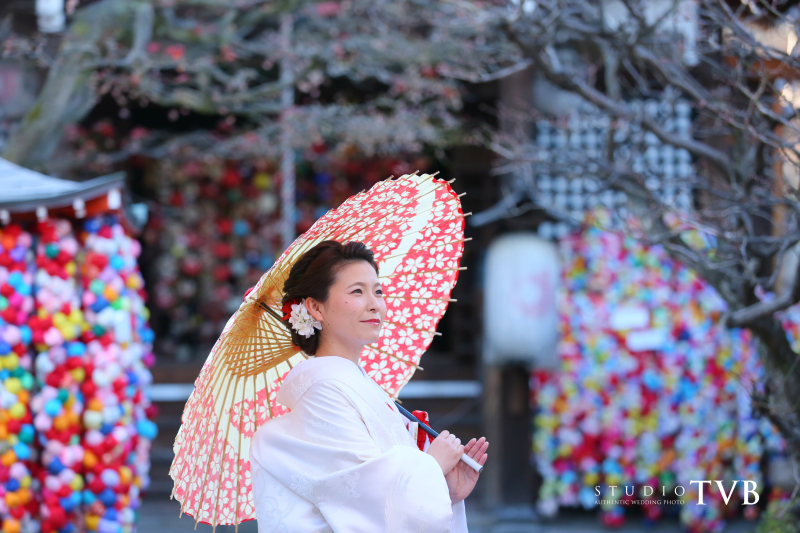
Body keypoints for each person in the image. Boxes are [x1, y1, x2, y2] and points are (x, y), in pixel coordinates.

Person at [249, 240, 488, 532]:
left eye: (378, 291)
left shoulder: (360, 385)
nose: (375, 304)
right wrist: (433, 466)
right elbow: (361, 495)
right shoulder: (321, 393)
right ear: (315, 307)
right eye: (357, 291)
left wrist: (445, 491)